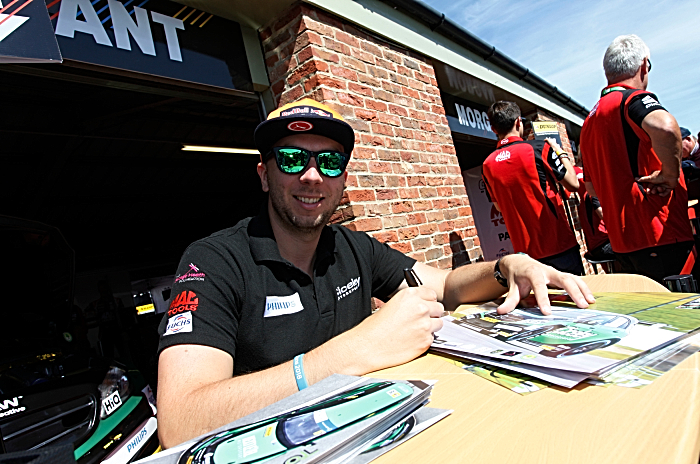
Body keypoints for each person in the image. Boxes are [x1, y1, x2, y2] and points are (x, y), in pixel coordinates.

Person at [156, 98, 595, 448]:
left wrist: (505, 268)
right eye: (291, 159)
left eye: (329, 163)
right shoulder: (214, 261)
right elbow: (180, 421)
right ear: (264, 175)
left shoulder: (351, 246)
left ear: (343, 180)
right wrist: (352, 352)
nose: (312, 176)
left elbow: (443, 284)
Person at [579, 34, 694, 283]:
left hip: (624, 243)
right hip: (660, 233)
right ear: (644, 66)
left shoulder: (588, 121)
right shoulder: (631, 100)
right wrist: (670, 176)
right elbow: (665, 127)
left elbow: (590, 187)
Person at [481, 101, 584, 275]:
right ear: (518, 122)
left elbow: (499, 207)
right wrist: (560, 152)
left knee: (542, 302)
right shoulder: (538, 148)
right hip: (559, 246)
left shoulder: (487, 165)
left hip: (525, 258)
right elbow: (573, 184)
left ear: (493, 129)